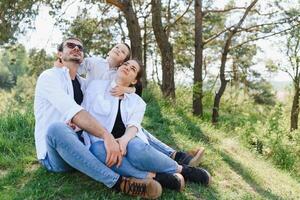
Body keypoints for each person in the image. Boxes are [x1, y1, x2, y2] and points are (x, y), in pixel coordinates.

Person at [34, 37, 162, 199]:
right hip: (55, 154)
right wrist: (105, 135)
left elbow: (109, 90)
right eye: (70, 45)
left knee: (127, 129)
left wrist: (129, 90)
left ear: (82, 57)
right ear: (59, 53)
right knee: (57, 128)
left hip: (81, 146)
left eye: (80, 47)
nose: (76, 48)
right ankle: (119, 183)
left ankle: (166, 166)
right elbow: (74, 112)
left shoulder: (83, 83)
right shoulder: (50, 77)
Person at [82, 59, 212, 191]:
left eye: (133, 69)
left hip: (128, 140)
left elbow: (134, 125)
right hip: (100, 141)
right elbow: (84, 113)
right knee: (97, 150)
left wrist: (124, 141)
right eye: (126, 64)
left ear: (134, 81)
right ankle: (156, 177)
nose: (127, 67)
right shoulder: (96, 86)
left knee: (137, 149)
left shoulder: (137, 102)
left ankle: (183, 170)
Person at [79, 42, 205, 167]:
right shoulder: (94, 62)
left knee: (134, 128)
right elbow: (76, 68)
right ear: (109, 50)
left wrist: (127, 89)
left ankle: (175, 158)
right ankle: (177, 156)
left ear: (122, 61)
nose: (118, 50)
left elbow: (134, 88)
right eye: (116, 47)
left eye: (123, 52)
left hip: (108, 110)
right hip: (92, 106)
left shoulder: (118, 72)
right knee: (136, 129)